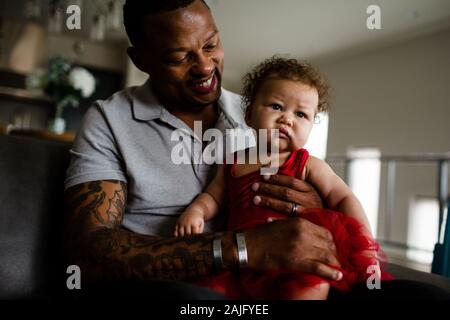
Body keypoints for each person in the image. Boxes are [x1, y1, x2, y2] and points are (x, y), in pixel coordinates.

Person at [63, 0, 341, 296]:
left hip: (270, 279)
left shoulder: (263, 112)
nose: (205, 67)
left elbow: (324, 193)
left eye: (210, 45)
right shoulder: (110, 121)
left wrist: (314, 211)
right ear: (140, 59)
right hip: (167, 290)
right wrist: (245, 247)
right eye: (179, 57)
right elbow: (88, 254)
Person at [174, 57, 392, 299]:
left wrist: (366, 248)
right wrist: (196, 211)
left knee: (311, 286)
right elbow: (212, 197)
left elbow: (343, 197)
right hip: (244, 261)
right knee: (208, 292)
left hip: (298, 263)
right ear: (249, 115)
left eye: (301, 114)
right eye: (276, 106)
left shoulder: (307, 165)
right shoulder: (233, 163)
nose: (287, 119)